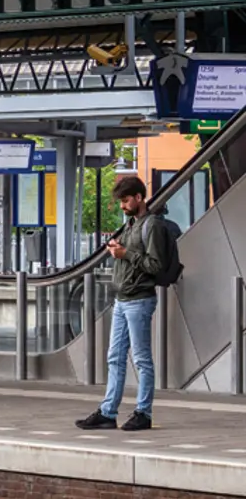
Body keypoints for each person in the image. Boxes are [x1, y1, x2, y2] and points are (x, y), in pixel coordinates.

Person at [77, 175, 173, 432]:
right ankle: (108, 412)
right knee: (115, 357)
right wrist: (118, 250)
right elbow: (133, 258)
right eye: (120, 201)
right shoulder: (131, 224)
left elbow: (155, 265)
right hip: (122, 299)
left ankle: (144, 412)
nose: (122, 205)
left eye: (126, 200)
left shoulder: (151, 225)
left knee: (141, 359)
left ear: (139, 197)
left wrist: (125, 253)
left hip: (140, 300)